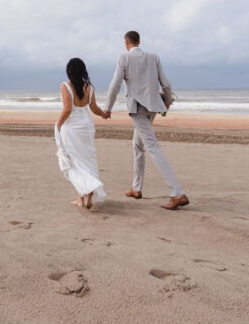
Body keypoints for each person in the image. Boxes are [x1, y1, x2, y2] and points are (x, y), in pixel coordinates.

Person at [103, 31, 190, 210]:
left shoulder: (124, 58)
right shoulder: (154, 57)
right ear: (139, 41)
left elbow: (115, 84)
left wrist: (107, 108)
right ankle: (136, 188)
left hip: (137, 108)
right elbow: (166, 84)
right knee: (138, 145)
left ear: (126, 43)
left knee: (152, 147)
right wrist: (166, 103)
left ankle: (177, 192)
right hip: (153, 107)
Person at [55, 58, 108, 210]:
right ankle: (81, 196)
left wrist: (58, 124)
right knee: (87, 159)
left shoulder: (65, 86)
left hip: (71, 128)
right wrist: (104, 114)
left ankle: (88, 188)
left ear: (69, 71)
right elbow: (94, 108)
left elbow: (67, 109)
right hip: (87, 127)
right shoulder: (89, 87)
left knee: (73, 161)